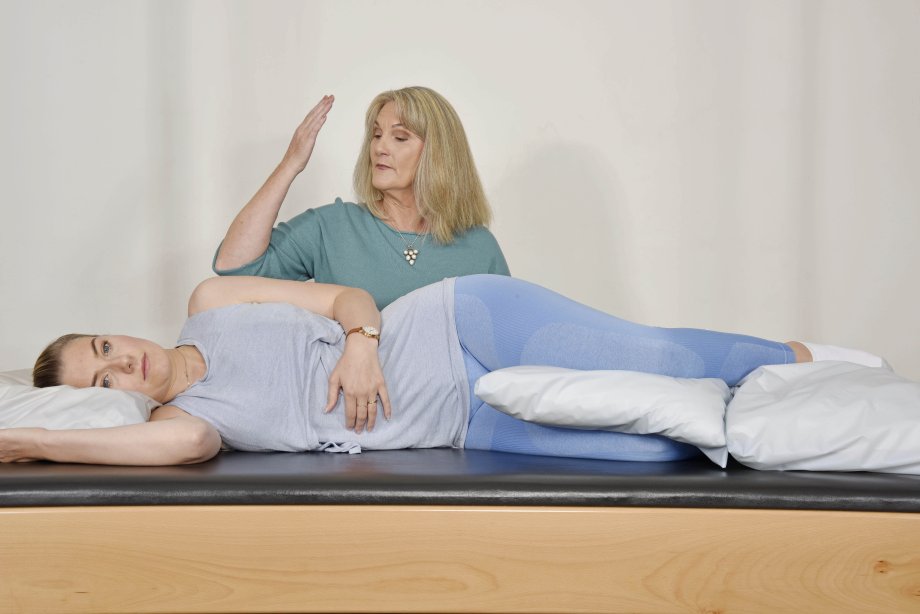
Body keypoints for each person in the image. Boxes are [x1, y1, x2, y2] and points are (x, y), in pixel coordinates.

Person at [5, 275, 885, 466]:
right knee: (654, 450)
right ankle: (787, 407)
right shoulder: (180, 424)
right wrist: (31, 442)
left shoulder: (211, 301)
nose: (123, 362)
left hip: (458, 323)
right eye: (103, 383)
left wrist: (360, 342)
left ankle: (819, 365)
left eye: (105, 347)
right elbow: (186, 448)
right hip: (463, 420)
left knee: (656, 356)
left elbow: (347, 298)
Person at [213, 87, 510, 310]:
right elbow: (234, 267)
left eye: (399, 137)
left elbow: (506, 343)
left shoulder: (479, 247)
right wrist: (290, 164)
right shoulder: (334, 226)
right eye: (376, 135)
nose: (379, 147)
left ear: (439, 153)